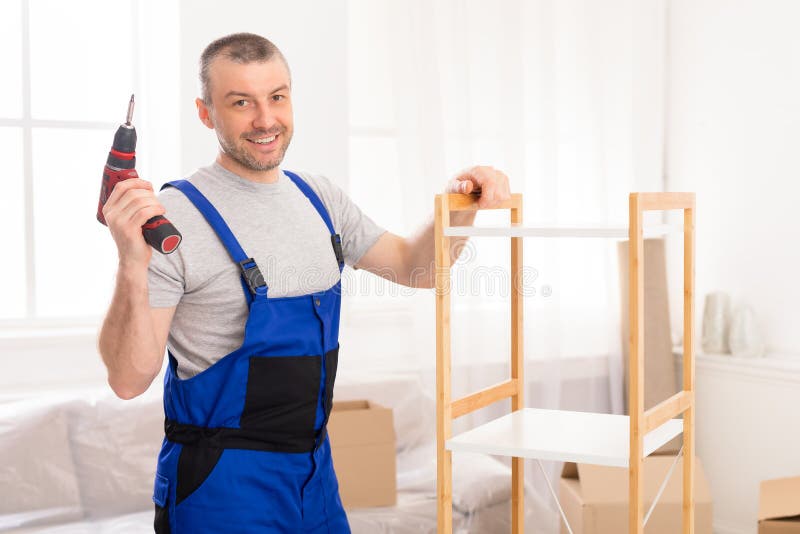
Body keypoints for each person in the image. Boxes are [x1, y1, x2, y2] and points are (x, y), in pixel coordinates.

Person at [98, 32, 510, 534]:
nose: (266, 120)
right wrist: (130, 264)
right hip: (221, 487)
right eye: (241, 103)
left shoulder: (319, 199)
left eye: (277, 97)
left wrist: (457, 205)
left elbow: (415, 269)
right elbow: (128, 379)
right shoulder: (173, 219)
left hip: (315, 474)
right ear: (206, 113)